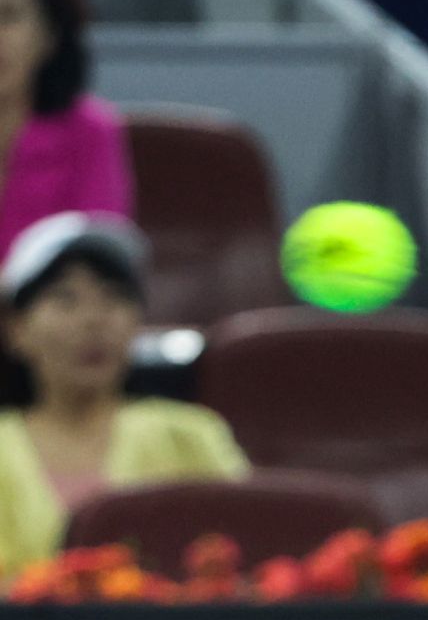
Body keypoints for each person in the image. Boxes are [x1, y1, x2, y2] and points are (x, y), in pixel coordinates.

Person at [0, 212, 247, 583]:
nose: (93, 320)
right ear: (16, 329)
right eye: (65, 299)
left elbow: (245, 558)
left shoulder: (191, 435)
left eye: (114, 297)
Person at [0, 0, 134, 262]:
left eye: (8, 14)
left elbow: (98, 263)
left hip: (49, 312)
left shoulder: (89, 131)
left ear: (50, 33)